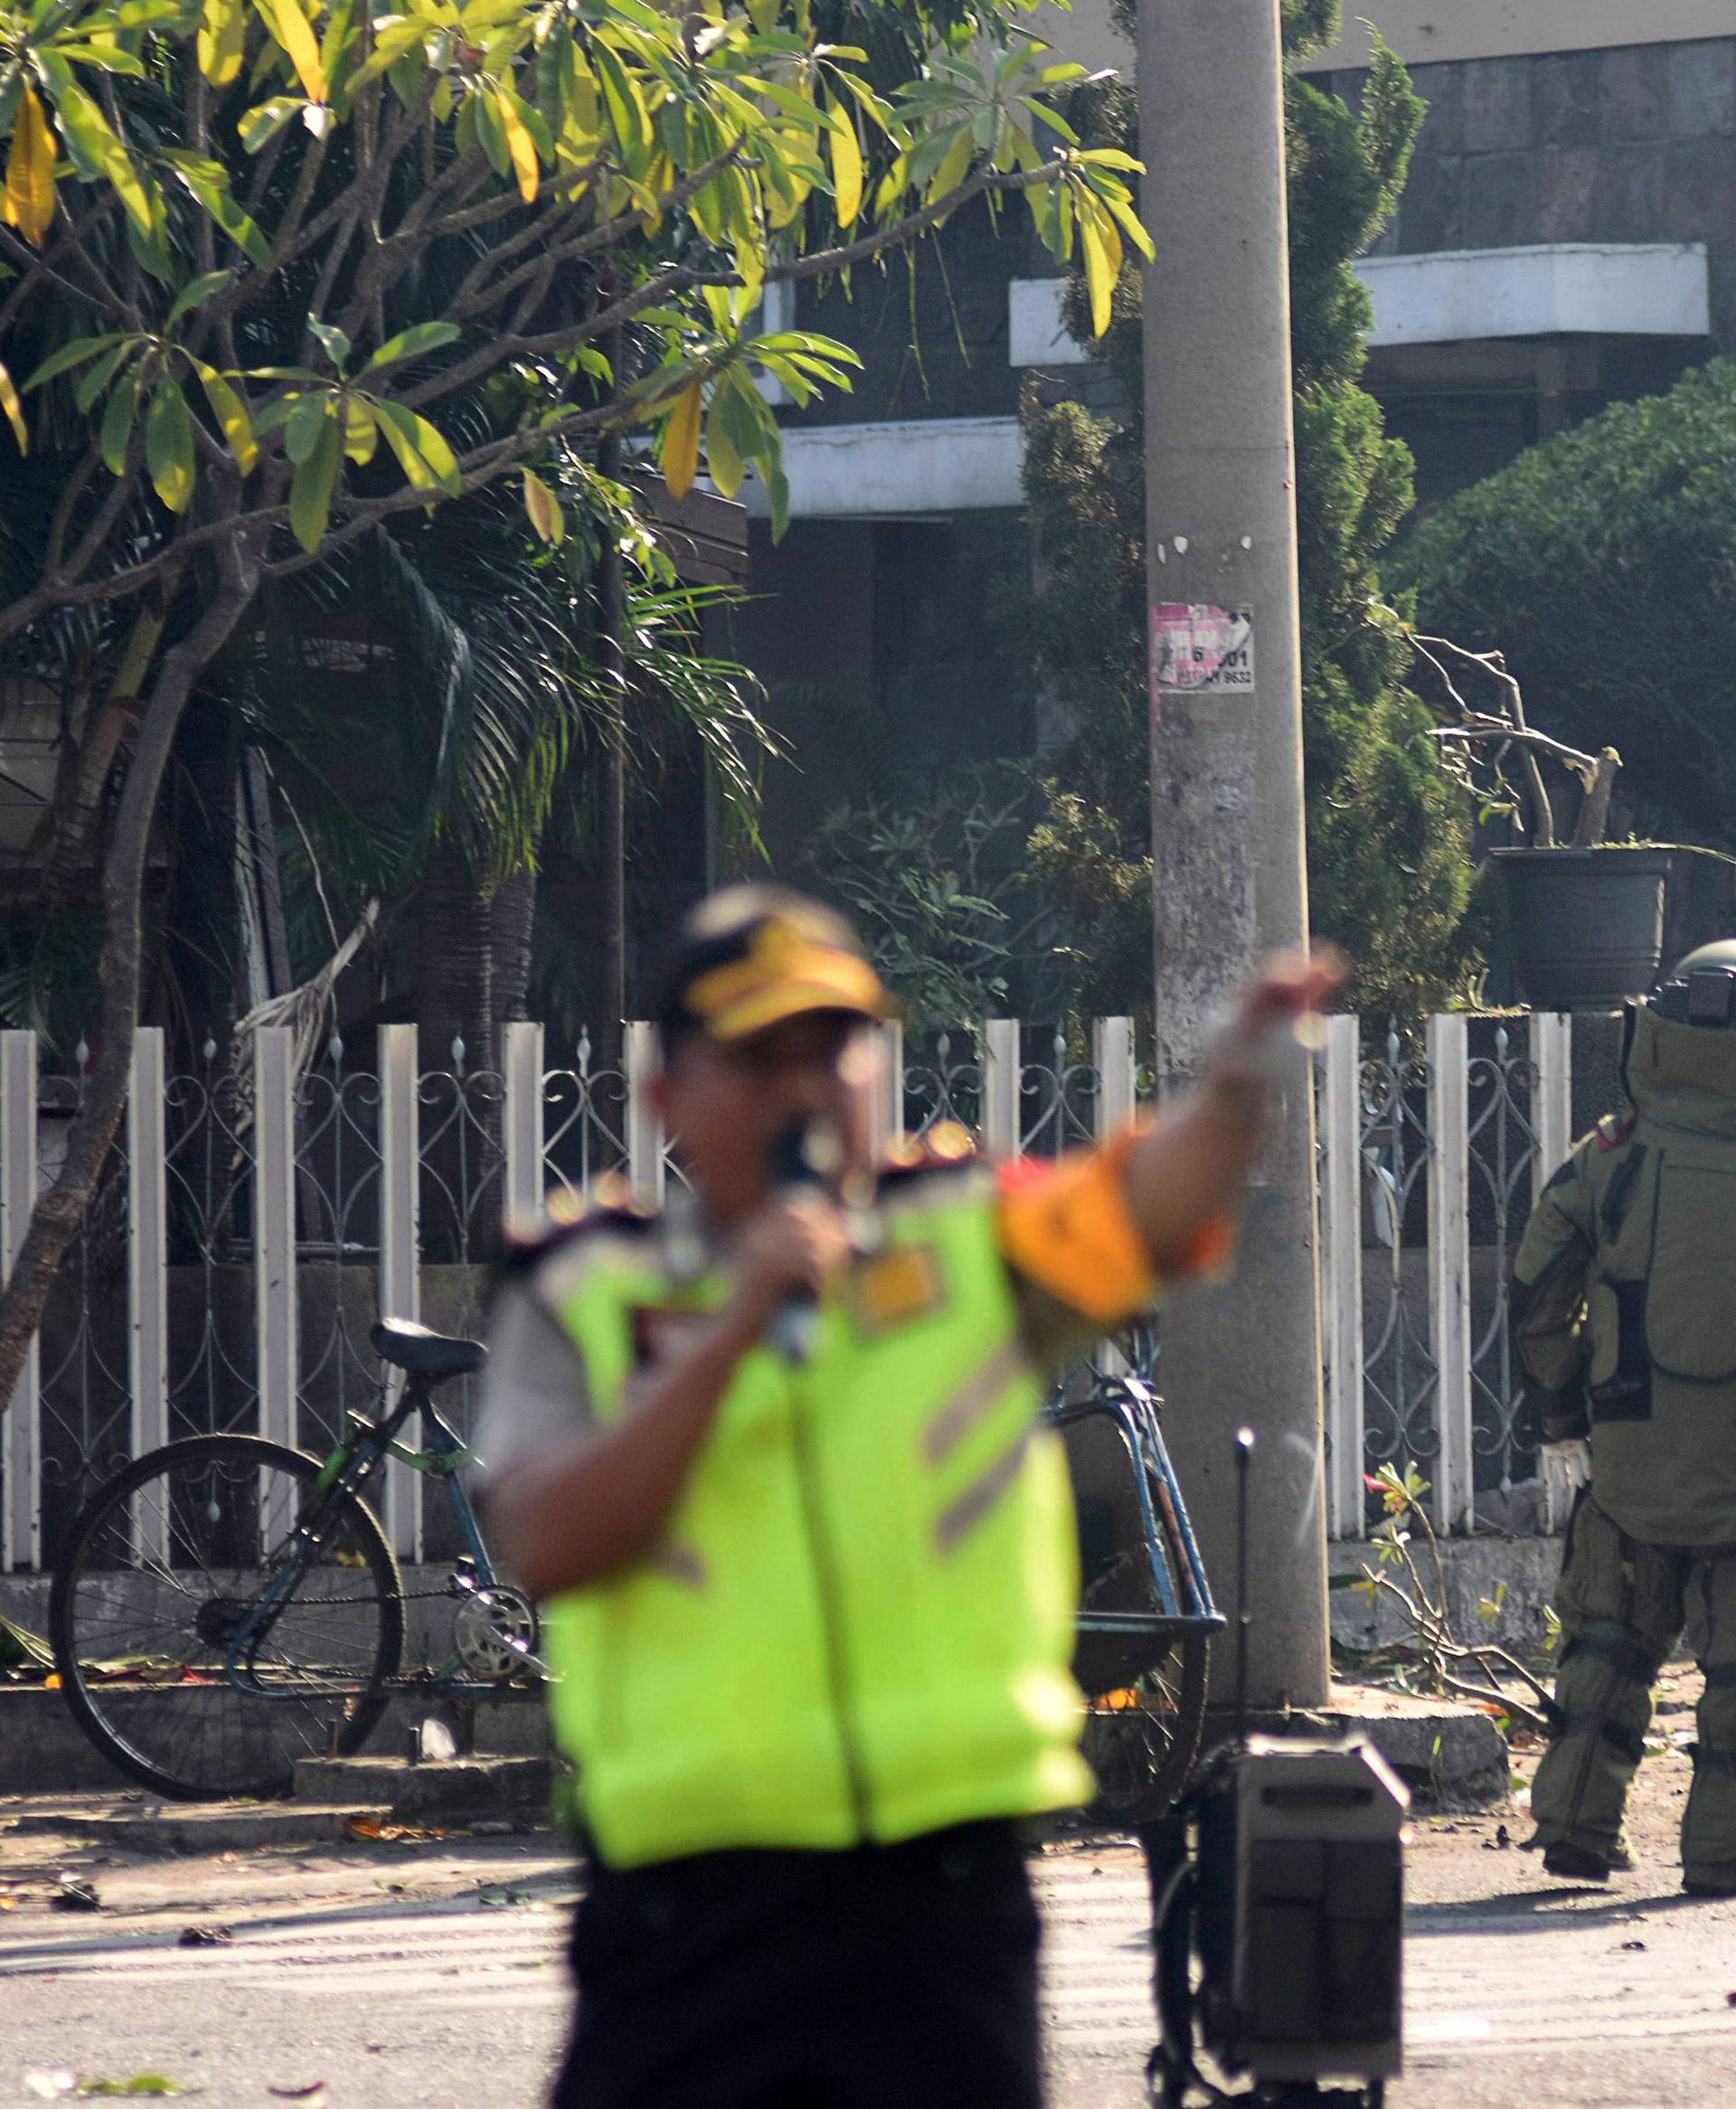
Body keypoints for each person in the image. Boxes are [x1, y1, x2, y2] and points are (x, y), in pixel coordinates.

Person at [476, 884, 1338, 2109]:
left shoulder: (967, 1242)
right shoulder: (583, 1293)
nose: (802, 1089)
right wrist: (733, 1329)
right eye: (758, 1056)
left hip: (941, 1906)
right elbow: (546, 1540)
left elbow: (1149, 1209)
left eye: (831, 1049)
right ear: (669, 1097)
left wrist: (1240, 1084)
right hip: (688, 1906)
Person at [1514, 940, 1736, 1896]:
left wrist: (1563, 1399)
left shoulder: (1609, 1158)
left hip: (1632, 1445)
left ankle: (1575, 1825)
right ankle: (1722, 1852)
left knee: (1607, 1640)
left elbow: (1536, 1288)